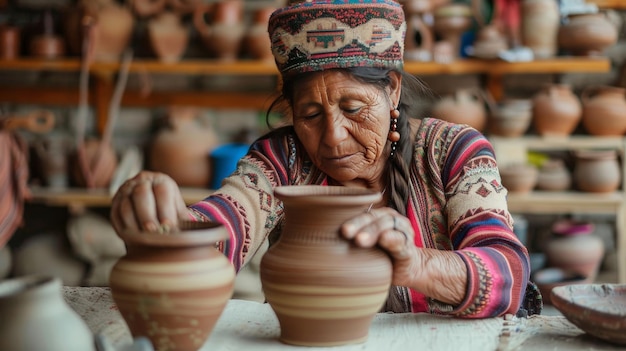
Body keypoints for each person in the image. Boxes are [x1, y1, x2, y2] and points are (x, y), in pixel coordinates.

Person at [111, 0, 539, 318]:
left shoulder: (454, 150)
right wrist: (161, 222)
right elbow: (221, 232)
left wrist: (415, 264)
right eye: (311, 115)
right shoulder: (284, 157)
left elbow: (509, 275)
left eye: (352, 108)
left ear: (391, 90)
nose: (332, 137)